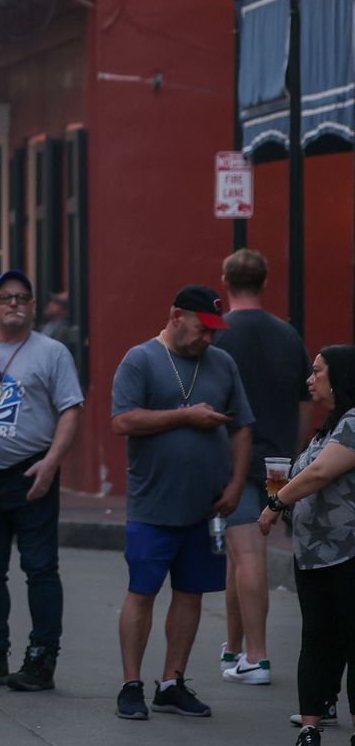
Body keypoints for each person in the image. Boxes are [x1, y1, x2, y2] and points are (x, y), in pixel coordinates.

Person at [109, 285, 251, 721]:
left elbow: (241, 427)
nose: (208, 338)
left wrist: (236, 484)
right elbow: (123, 420)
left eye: (213, 330)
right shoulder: (141, 359)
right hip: (153, 505)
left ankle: (172, 682)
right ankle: (131, 684)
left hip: (206, 506)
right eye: (201, 328)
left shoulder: (222, 364)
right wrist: (186, 415)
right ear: (175, 317)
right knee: (143, 592)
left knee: (190, 594)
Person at [0, 269, 84, 692]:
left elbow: (71, 410)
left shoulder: (52, 352)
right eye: (5, 298)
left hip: (31, 473)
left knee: (40, 568)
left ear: (33, 306)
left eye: (22, 297)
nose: (13, 304)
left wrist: (51, 464)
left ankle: (42, 657)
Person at [214, 248, 311, 685]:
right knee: (239, 553)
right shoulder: (288, 335)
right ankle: (234, 647)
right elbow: (307, 399)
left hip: (235, 457)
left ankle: (257, 655)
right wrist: (299, 448)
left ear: (225, 281)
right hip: (279, 459)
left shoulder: (219, 333)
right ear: (265, 282)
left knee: (247, 552)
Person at [260, 346, 355, 746]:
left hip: (349, 551)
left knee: (352, 640)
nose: (310, 379)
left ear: (340, 378)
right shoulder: (326, 428)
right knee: (316, 638)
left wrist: (277, 503)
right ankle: (310, 731)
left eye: (317, 372)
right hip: (313, 553)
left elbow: (319, 473)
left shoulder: (353, 423)